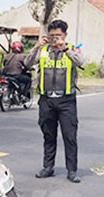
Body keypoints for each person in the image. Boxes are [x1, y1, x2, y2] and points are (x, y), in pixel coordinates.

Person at [24, 19, 85, 183]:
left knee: (70, 136)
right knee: (48, 135)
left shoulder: (72, 49)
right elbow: (27, 63)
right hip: (46, 100)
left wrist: (64, 48)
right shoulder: (42, 50)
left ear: (65, 35)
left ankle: (72, 170)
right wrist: (36, 46)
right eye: (52, 36)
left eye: (58, 35)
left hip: (66, 101)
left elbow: (81, 62)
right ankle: (48, 167)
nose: (55, 39)